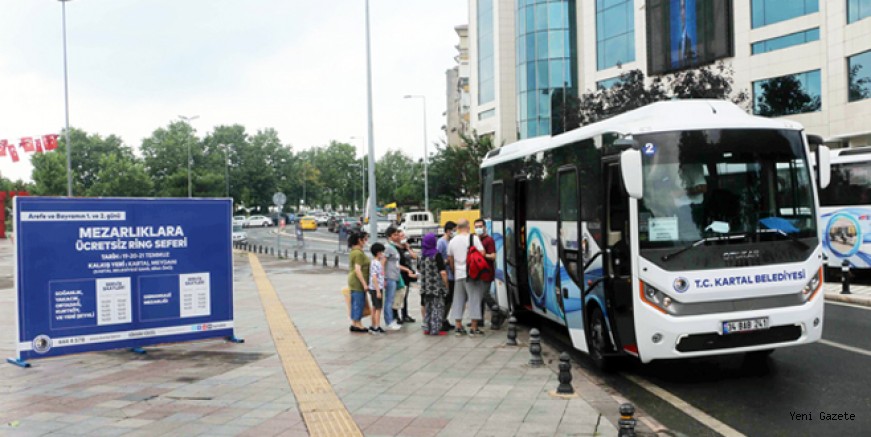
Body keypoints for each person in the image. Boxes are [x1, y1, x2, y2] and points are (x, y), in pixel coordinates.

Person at [447, 219, 486, 336]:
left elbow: (450, 259)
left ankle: (458, 326)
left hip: (458, 274)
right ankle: (474, 327)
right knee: (474, 299)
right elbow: (482, 253)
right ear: (468, 226)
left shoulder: (452, 241)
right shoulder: (473, 238)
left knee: (458, 300)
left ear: (458, 228)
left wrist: (455, 271)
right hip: (472, 274)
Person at [471, 219, 506, 329]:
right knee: (478, 296)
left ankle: (500, 312)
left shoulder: (489, 240)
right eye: (476, 226)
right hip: (477, 272)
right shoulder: (475, 239)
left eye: (480, 226)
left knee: (485, 294)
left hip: (487, 272)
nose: (478, 228)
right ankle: (479, 319)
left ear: (485, 227)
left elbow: (493, 256)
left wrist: (482, 255)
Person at [419, 233, 449, 335]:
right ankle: (435, 330)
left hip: (425, 287)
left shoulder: (422, 255)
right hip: (436, 287)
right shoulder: (437, 255)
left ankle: (427, 328)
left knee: (428, 308)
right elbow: (443, 272)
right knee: (437, 308)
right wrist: (446, 284)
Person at [347, 232, 370, 333]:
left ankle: (354, 323)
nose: (365, 242)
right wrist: (364, 284)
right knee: (359, 302)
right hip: (358, 281)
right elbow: (358, 269)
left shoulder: (355, 251)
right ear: (359, 240)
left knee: (355, 302)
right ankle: (358, 324)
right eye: (364, 239)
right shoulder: (358, 253)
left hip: (354, 280)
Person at [437, 221, 457, 331]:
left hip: (452, 274)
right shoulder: (441, 242)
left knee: (450, 299)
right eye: (454, 230)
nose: (455, 232)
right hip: (446, 275)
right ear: (448, 231)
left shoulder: (451, 241)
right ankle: (441, 320)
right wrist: (447, 262)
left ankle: (444, 319)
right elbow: (437, 259)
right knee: (446, 299)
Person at [382, 226, 402, 330]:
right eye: (394, 234)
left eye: (397, 234)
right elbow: (383, 262)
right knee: (389, 300)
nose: (397, 236)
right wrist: (384, 277)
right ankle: (389, 321)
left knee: (391, 299)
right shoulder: (388, 247)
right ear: (389, 236)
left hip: (394, 276)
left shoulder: (393, 247)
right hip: (389, 277)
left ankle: (391, 320)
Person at [396, 230, 418, 324]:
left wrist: (408, 247)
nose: (403, 237)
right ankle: (396, 316)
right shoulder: (396, 248)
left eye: (404, 236)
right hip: (400, 273)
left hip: (408, 274)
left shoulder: (407, 247)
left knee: (405, 295)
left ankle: (405, 315)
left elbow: (415, 256)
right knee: (399, 296)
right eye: (401, 236)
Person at [368, 243, 387, 334]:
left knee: (375, 307)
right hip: (376, 288)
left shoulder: (375, 262)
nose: (383, 254)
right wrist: (378, 291)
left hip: (375, 288)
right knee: (378, 308)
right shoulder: (376, 263)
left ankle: (373, 325)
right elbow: (374, 277)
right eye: (382, 252)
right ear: (378, 253)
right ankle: (377, 326)